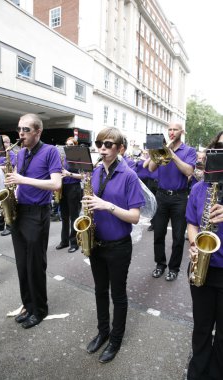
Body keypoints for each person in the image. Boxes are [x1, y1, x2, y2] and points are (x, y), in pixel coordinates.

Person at [83, 127, 145, 363]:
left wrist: (105, 205)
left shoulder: (129, 175)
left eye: (108, 144)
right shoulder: (95, 172)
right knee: (100, 291)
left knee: (117, 295)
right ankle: (103, 332)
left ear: (120, 149)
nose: (102, 148)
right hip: (97, 243)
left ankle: (116, 340)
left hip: (119, 245)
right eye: (100, 144)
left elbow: (135, 217)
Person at [5, 113, 62, 329]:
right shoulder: (19, 153)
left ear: (38, 131)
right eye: (19, 129)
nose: (21, 133)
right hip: (20, 210)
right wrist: (12, 196)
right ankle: (28, 305)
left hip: (37, 213)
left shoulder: (50, 152)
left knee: (35, 265)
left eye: (26, 130)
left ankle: (39, 310)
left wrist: (22, 179)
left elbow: (56, 184)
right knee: (21, 264)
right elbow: (19, 182)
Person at [186, 131, 223, 380]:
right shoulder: (201, 188)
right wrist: (193, 243)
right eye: (219, 147)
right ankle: (197, 372)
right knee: (201, 328)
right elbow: (191, 222)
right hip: (203, 266)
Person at [148, 122, 196, 281]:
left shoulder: (189, 150)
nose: (172, 132)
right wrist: (159, 152)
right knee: (158, 234)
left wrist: (172, 154)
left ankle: (173, 268)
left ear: (182, 131)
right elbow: (151, 169)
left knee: (178, 237)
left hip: (179, 198)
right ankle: (159, 265)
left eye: (175, 129)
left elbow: (189, 171)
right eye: (169, 129)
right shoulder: (162, 148)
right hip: (161, 196)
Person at [56, 137, 83, 253]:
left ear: (75, 145)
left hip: (74, 188)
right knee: (64, 216)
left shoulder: (79, 158)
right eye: (67, 145)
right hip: (64, 188)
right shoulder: (63, 158)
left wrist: (69, 174)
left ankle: (74, 242)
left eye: (71, 144)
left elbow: (83, 176)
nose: (68, 146)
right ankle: (64, 241)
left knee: (74, 216)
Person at [0, 135, 17, 236]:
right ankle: (0, 224)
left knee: (7, 204)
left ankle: (9, 226)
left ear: (9, 143)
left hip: (8, 181)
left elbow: (12, 166)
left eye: (5, 142)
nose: (3, 144)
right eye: (1, 142)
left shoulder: (10, 153)